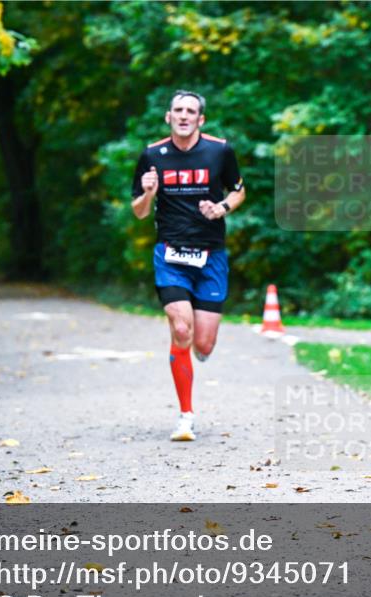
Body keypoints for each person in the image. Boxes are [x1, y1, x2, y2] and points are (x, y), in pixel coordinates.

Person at [131, 90, 246, 441]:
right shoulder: (152, 155)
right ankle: (185, 416)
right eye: (177, 110)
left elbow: (239, 190)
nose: (183, 116)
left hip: (211, 256)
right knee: (181, 330)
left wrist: (222, 208)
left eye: (190, 111)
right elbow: (138, 211)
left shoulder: (219, 150)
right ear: (169, 117)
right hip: (171, 256)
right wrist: (149, 192)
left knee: (204, 344)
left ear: (200, 119)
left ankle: (200, 347)